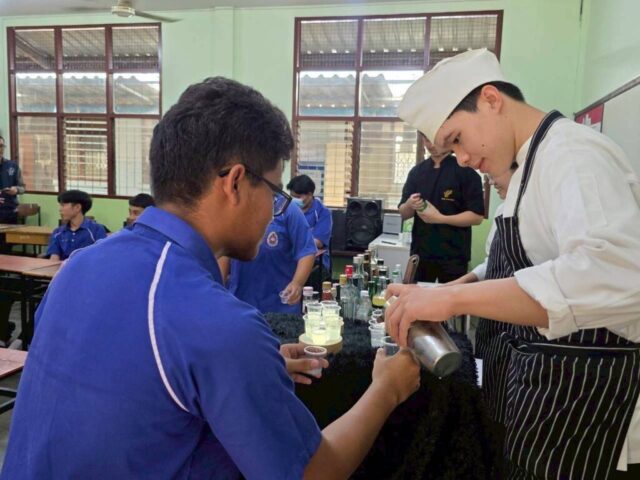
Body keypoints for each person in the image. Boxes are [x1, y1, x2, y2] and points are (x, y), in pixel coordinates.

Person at [1, 77, 421, 479]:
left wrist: (248, 369)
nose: (275, 211)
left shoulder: (77, 268)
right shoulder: (220, 324)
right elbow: (311, 472)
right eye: (275, 193)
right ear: (235, 182)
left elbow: (125, 385)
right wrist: (387, 389)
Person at [388, 48, 640, 479]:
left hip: (588, 404)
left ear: (491, 99)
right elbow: (520, 263)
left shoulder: (571, 153)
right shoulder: (527, 169)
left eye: (457, 139)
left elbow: (615, 275)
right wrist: (448, 291)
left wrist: (452, 302)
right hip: (542, 392)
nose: (462, 158)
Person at [398, 134, 484, 283]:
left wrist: (440, 218)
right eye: (426, 140)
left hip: (454, 255)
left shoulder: (466, 173)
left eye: (434, 139)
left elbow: (477, 217)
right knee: (419, 296)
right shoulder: (417, 172)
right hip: (421, 253)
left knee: (451, 296)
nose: (431, 145)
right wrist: (409, 204)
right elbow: (404, 213)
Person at [225, 195, 318, 314]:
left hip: (280, 305)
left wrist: (297, 283)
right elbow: (224, 250)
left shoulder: (287, 210)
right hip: (240, 303)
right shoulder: (233, 207)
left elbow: (306, 250)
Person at [287, 174, 333, 277]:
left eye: (298, 197)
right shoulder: (286, 210)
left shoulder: (323, 212)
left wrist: (291, 241)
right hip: (290, 258)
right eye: (292, 196)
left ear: (310, 194)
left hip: (316, 261)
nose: (294, 199)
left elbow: (318, 242)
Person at [46, 190, 107, 261]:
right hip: (64, 267)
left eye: (63, 205)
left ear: (77, 207)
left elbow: (102, 255)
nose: (60, 209)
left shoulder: (96, 230)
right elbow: (54, 258)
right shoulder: (57, 232)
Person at [0, 135, 26, 225]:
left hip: (10, 211)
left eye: (2, 146)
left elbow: (22, 188)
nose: (0, 149)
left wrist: (16, 190)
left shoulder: (13, 166)